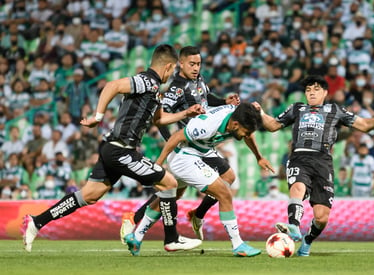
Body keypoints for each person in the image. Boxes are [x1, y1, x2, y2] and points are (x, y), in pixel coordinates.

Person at [22, 44, 204, 253]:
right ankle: (172, 239)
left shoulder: (154, 90)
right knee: (169, 182)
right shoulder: (146, 81)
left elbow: (160, 119)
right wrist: (98, 117)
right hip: (122, 151)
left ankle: (36, 222)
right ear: (168, 66)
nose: (171, 75)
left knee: (89, 195)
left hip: (113, 149)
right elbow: (113, 85)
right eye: (172, 71)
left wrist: (186, 113)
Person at [256, 75, 374, 257]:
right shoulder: (297, 108)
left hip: (323, 162)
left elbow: (365, 125)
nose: (311, 93)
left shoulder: (335, 110)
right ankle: (294, 227)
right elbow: (272, 126)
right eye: (308, 90)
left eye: (316, 90)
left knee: (321, 217)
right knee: (297, 187)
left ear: (326, 93)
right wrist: (261, 112)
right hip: (299, 156)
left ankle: (308, 239)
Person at [120, 46, 241, 242]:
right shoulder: (176, 88)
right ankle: (135, 219)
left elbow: (206, 98)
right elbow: (159, 118)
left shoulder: (198, 80)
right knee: (173, 194)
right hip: (188, 147)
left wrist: (223, 101)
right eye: (192, 64)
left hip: (202, 145)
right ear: (181, 64)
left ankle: (195, 215)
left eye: (199, 64)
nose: (196, 68)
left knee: (224, 178)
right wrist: (172, 141)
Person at [124, 103, 274, 257]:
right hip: (185, 157)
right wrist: (158, 166)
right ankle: (238, 244)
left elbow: (248, 133)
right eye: (245, 131)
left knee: (171, 196)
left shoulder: (237, 118)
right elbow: (176, 137)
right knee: (224, 194)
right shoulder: (206, 126)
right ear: (235, 124)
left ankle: (136, 237)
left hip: (202, 151)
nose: (246, 135)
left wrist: (259, 157)